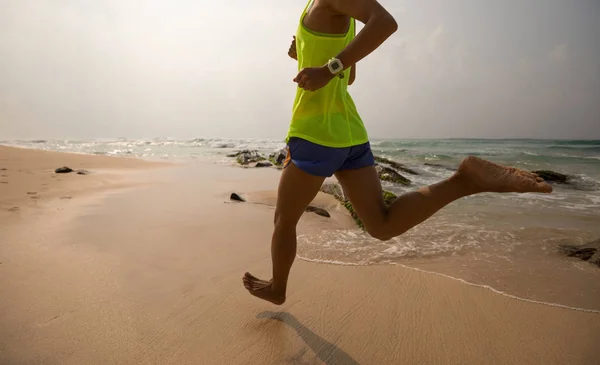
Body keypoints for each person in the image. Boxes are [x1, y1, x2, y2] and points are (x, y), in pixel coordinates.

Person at [242, 0, 552, 305]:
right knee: (382, 224)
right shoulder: (323, 8)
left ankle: (278, 288)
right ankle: (464, 181)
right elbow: (347, 77)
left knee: (285, 219)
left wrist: (327, 67)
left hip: (315, 134)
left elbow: (385, 22)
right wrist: (309, 57)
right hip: (349, 133)